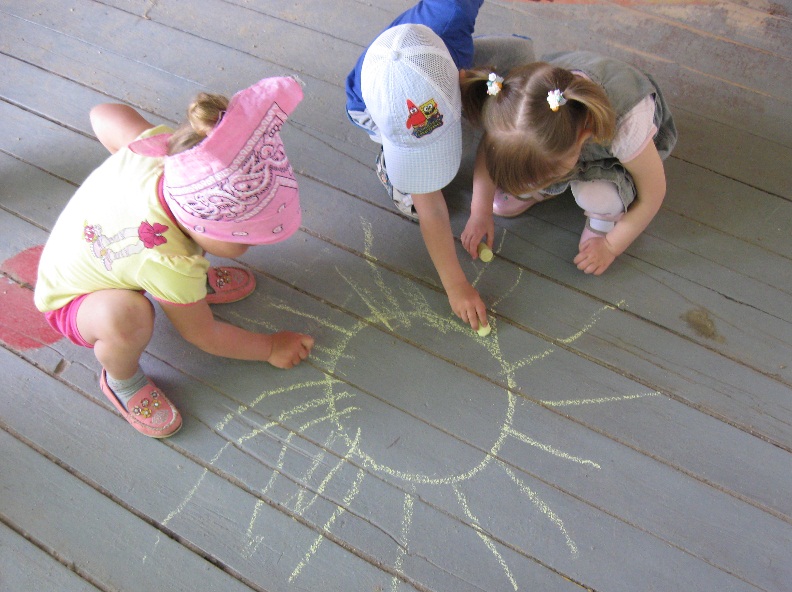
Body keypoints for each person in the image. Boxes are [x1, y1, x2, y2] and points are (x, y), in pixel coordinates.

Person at [34, 77, 315, 438]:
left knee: (167, 273)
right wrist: (270, 346)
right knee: (128, 318)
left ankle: (188, 292)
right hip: (72, 301)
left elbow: (104, 114)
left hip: (105, 255)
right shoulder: (170, 264)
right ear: (201, 224)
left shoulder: (171, 153)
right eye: (243, 239)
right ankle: (121, 380)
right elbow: (205, 334)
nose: (252, 247)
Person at [345, 0, 533, 331]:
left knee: (522, 61)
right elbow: (432, 211)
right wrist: (456, 285)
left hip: (441, 58)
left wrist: (480, 209)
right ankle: (393, 166)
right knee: (419, 203)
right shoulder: (383, 108)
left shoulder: (450, 16)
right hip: (375, 105)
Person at [460, 50, 678, 276]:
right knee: (523, 166)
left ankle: (602, 217)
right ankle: (544, 181)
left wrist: (611, 246)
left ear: (583, 139)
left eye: (545, 178)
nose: (534, 183)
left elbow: (652, 196)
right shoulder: (514, 115)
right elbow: (489, 150)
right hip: (564, 129)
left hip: (614, 148)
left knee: (597, 195)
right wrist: (479, 210)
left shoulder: (627, 127)